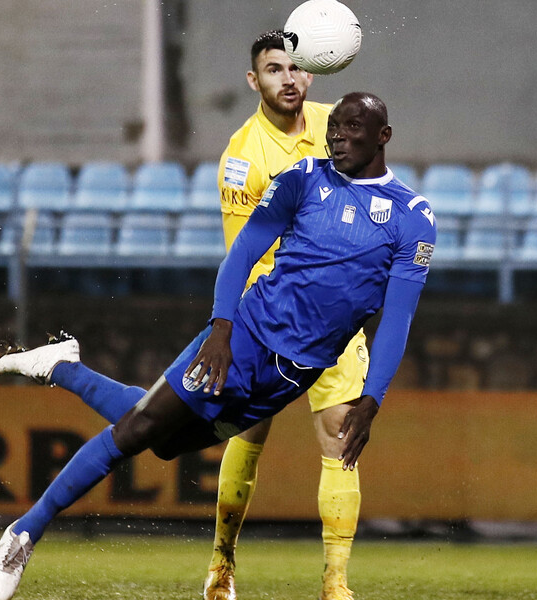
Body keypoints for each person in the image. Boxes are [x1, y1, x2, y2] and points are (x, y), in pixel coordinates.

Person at [0, 91, 436, 600]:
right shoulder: (304, 178)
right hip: (245, 339)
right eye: (334, 127)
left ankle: (63, 366)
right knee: (136, 430)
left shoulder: (413, 217)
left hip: (292, 375)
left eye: (352, 127)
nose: (338, 136)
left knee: (164, 440)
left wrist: (372, 399)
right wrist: (221, 330)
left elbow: (398, 317)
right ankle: (26, 530)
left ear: (383, 136)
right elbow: (242, 255)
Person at [207, 30, 372, 600]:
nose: (288, 78)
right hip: (271, 317)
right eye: (274, 69)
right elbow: (242, 254)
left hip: (335, 316)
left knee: (340, 438)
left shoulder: (335, 127)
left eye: (295, 67)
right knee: (246, 435)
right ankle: (222, 564)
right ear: (254, 80)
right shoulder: (242, 157)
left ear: (311, 72)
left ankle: (336, 583)